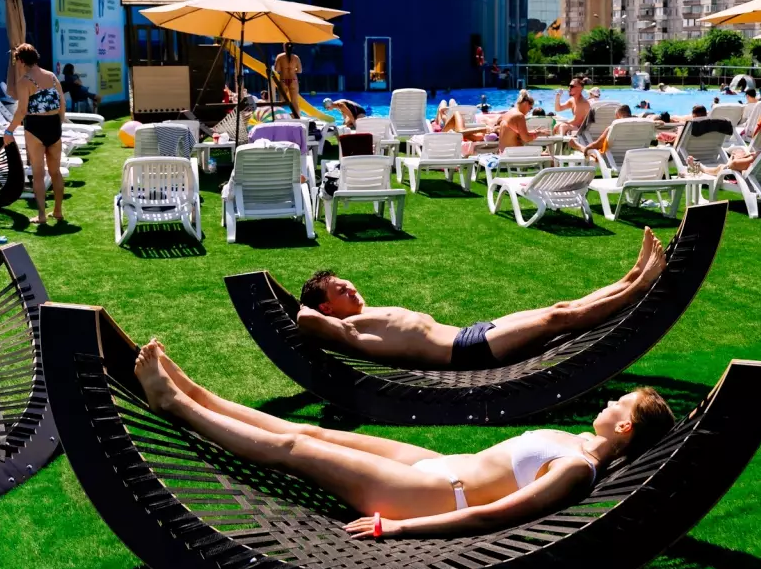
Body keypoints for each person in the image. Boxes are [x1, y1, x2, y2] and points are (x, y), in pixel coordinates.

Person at [134, 340, 673, 538]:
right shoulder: (580, 442)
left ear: (625, 428)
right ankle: (196, 393)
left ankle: (174, 404)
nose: (609, 402)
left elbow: (493, 516)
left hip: (432, 497)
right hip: (438, 466)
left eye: (619, 405)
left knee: (296, 451)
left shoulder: (577, 469)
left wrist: (400, 527)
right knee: (311, 430)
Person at [297, 228, 669, 369]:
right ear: (327, 307)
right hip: (467, 352)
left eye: (346, 283)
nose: (350, 288)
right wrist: (305, 308)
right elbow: (306, 319)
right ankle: (640, 287)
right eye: (340, 291)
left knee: (561, 308)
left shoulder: (361, 315)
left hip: (473, 333)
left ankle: (631, 277)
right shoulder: (350, 329)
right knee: (557, 321)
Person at [4, 43, 66, 225]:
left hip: (35, 127)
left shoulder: (24, 81)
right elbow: (62, 103)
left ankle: (41, 216)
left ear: (21, 61)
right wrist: (58, 123)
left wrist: (9, 131)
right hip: (54, 125)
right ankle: (58, 211)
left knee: (38, 174)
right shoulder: (52, 76)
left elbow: (22, 110)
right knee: (55, 172)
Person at [688, 128, 761, 175]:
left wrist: (734, 158)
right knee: (739, 152)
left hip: (747, 178)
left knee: (721, 167)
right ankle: (700, 167)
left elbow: (734, 165)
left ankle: (702, 168)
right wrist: (745, 156)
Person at [273, 43, 303, 118]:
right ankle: (297, 116)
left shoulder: (280, 56)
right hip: (293, 79)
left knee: (281, 101)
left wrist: (284, 69)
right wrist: (292, 70)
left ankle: (280, 116)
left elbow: (276, 69)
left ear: (284, 48)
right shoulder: (296, 57)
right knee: (294, 101)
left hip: (284, 79)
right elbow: (300, 70)